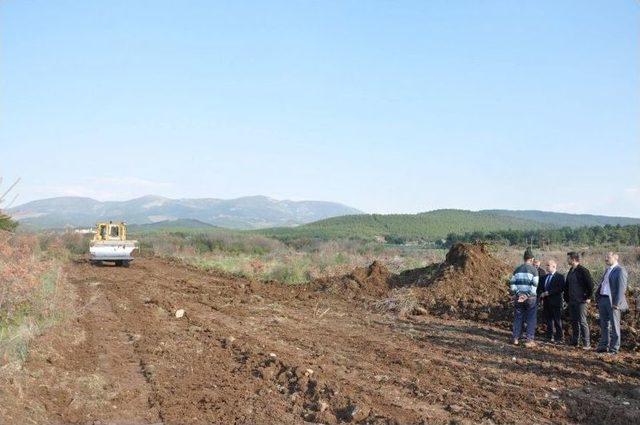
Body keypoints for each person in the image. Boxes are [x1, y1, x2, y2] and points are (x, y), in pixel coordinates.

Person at [595, 252, 629, 355]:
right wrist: (598, 297)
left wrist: (617, 303)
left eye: (608, 257)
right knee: (604, 324)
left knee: (615, 325)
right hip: (603, 299)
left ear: (616, 257)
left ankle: (614, 349)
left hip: (613, 302)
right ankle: (603, 346)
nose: (606, 259)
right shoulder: (607, 270)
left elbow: (622, 288)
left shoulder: (620, 270)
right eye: (605, 257)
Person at [509, 248, 539, 347]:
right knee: (531, 318)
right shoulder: (534, 270)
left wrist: (519, 294)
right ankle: (529, 340)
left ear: (524, 258)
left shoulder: (517, 270)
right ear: (531, 259)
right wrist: (526, 296)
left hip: (518, 298)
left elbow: (512, 284)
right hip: (530, 299)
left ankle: (515, 338)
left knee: (518, 317)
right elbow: (534, 286)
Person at [565, 252, 594, 349]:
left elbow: (590, 284)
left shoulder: (583, 270)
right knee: (574, 321)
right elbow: (567, 285)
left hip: (581, 301)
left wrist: (589, 297)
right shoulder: (571, 270)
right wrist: (566, 298)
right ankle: (575, 341)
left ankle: (587, 344)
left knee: (582, 321)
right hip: (572, 301)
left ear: (573, 259)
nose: (567, 260)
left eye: (568, 258)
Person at [537, 259, 565, 343]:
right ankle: (549, 336)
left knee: (557, 320)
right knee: (548, 320)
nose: (546, 267)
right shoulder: (544, 277)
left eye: (548, 265)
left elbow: (560, 288)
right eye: (546, 265)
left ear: (554, 266)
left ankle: (559, 337)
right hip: (546, 302)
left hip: (555, 302)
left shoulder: (559, 277)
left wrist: (548, 293)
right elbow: (540, 288)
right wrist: (541, 294)